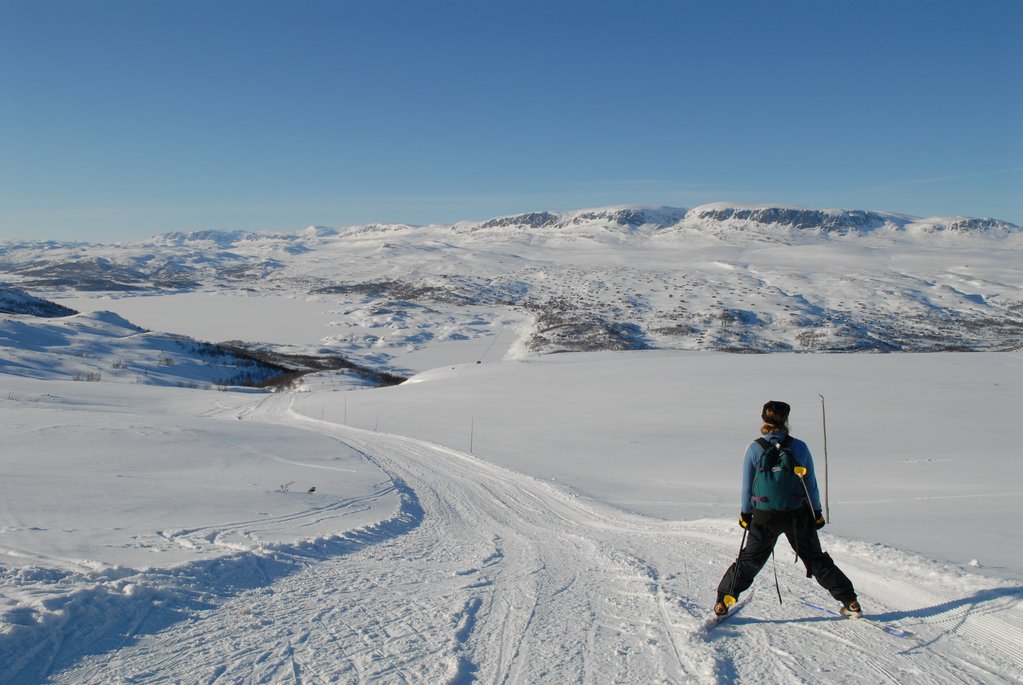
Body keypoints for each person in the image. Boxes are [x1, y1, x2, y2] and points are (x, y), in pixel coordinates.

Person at [713, 400, 862, 618]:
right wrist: (817, 512)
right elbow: (810, 483)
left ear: (763, 419)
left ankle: (723, 602)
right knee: (815, 559)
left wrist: (745, 513)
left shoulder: (755, 448)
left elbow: (747, 485)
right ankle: (850, 602)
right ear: (786, 420)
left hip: (764, 515)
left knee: (750, 560)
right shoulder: (799, 447)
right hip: (797, 514)